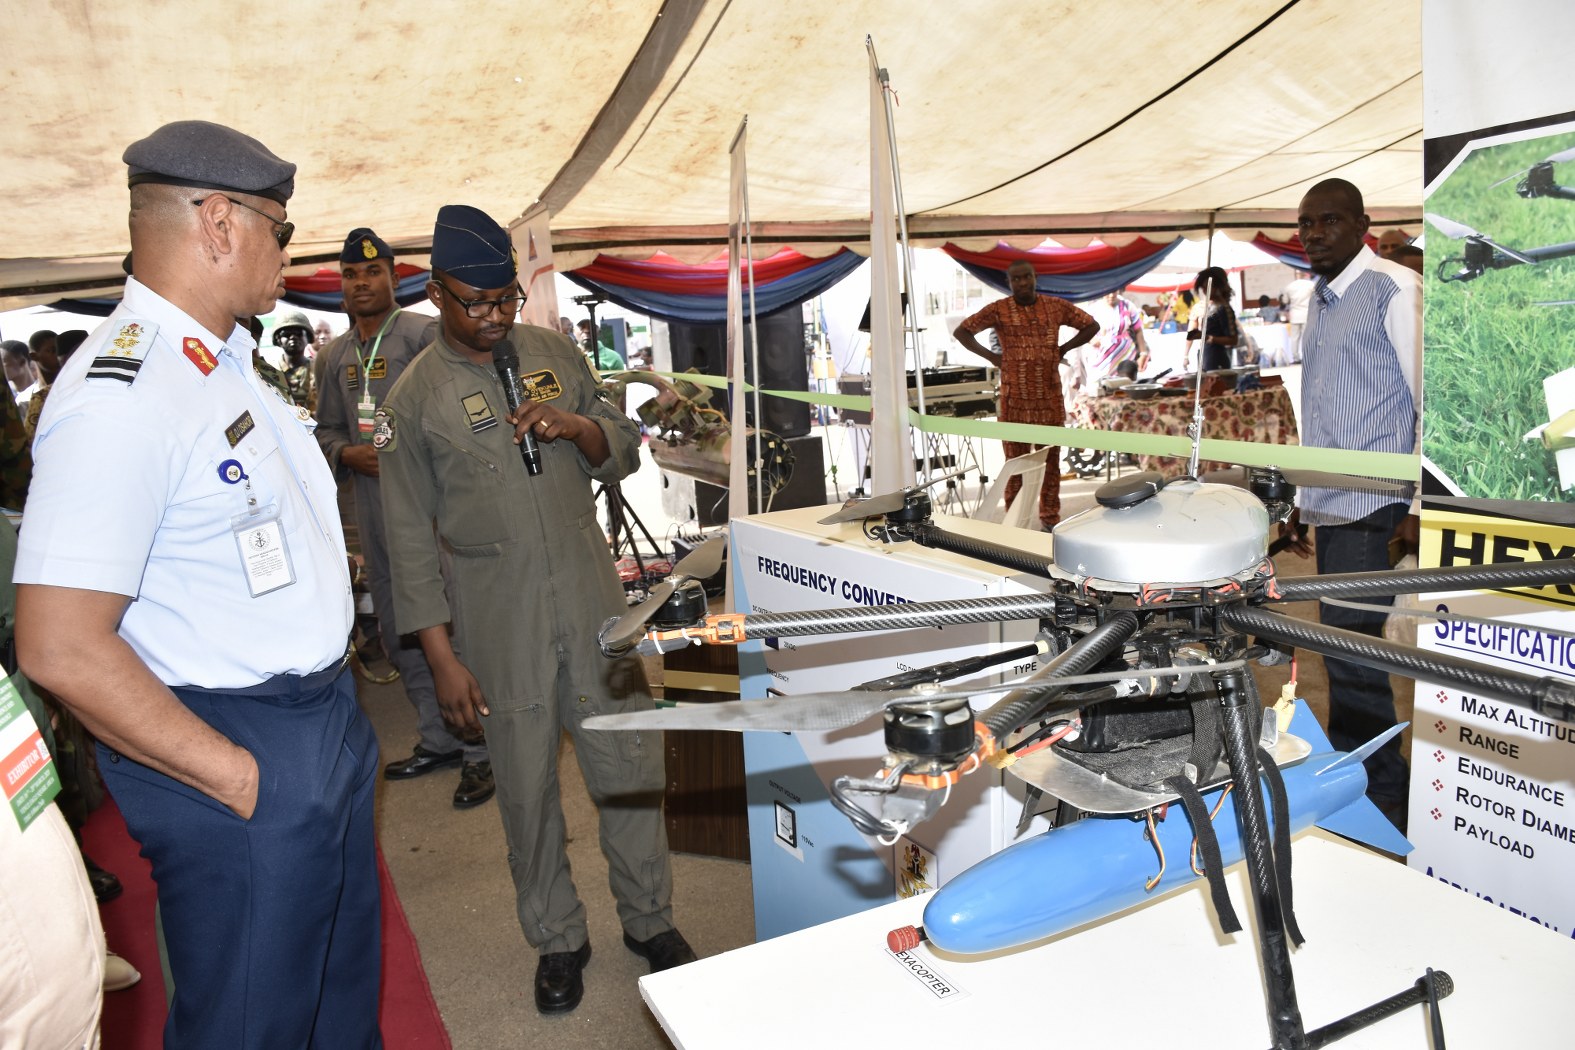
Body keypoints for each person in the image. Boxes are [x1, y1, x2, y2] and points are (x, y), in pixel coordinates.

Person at [14, 119, 382, 1049]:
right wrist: (238, 778)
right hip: (236, 740)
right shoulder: (119, 394)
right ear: (219, 222)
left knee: (336, 1007)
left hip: (317, 718)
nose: (288, 253)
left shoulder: (217, 359)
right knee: (252, 1023)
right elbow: (58, 645)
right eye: (280, 228)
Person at [377, 205, 694, 1015]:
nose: (491, 319)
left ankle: (649, 921)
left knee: (627, 761)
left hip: (590, 589)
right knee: (523, 786)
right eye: (472, 303)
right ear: (435, 295)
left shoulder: (555, 351)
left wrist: (582, 427)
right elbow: (407, 538)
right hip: (495, 610)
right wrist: (441, 657)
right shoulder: (414, 400)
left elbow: (623, 446)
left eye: (504, 300)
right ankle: (557, 938)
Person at [316, 227, 493, 807]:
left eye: (372, 272)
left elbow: (464, 409)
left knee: (448, 623)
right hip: (374, 512)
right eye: (349, 274)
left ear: (395, 276)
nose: (360, 283)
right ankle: (438, 736)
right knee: (399, 628)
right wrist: (347, 453)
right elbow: (326, 430)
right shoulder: (334, 356)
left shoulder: (423, 335)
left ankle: (480, 751)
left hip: (434, 509)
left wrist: (403, 452)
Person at [1278, 177, 1420, 832]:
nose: (1312, 234)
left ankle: (1378, 792)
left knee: (1355, 655)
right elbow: (1324, 408)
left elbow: (1426, 399)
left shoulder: (1392, 289)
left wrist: (1420, 504)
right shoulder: (1318, 300)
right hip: (1331, 502)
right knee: (1336, 651)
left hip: (1374, 503)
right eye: (1304, 224)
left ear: (1362, 224)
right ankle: (1354, 777)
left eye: (1327, 221)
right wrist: (1301, 501)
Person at [952, 260, 1098, 529]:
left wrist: (1063, 348)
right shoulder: (999, 310)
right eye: (1016, 279)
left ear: (1035, 277)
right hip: (1014, 400)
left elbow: (1091, 325)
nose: (1022, 283)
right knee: (1015, 465)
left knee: (1050, 465)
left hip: (1049, 398)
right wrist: (993, 358)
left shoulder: (1054, 306)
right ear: (1009, 283)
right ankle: (1015, 522)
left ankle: (1049, 520)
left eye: (1026, 277)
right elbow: (962, 331)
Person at [1069, 285, 1149, 402]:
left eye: (1114, 292)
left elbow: (1138, 331)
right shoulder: (1093, 308)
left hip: (1125, 355)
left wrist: (1143, 353)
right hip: (1101, 357)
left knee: (1125, 387)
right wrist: (1091, 339)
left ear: (1119, 290)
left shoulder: (1128, 306)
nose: (1111, 296)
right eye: (1107, 292)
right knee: (1101, 388)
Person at [1188, 266, 1239, 373]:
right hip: (1208, 358)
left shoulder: (1223, 308)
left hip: (1218, 361)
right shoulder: (1212, 307)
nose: (1204, 290)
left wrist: (1208, 337)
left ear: (1217, 287)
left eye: (1206, 287)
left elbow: (1233, 339)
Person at [271, 309, 317, 410]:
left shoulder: (320, 369)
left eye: (298, 333)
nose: (293, 337)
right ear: (278, 339)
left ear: (308, 337)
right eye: (286, 333)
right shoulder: (269, 371)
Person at [1282, 272, 1315, 363]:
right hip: (1307, 314)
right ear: (1304, 274)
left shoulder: (1289, 287)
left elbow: (1285, 301)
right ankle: (1307, 356)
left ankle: (1295, 357)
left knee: (1294, 338)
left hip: (1295, 315)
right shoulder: (1310, 285)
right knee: (1307, 336)